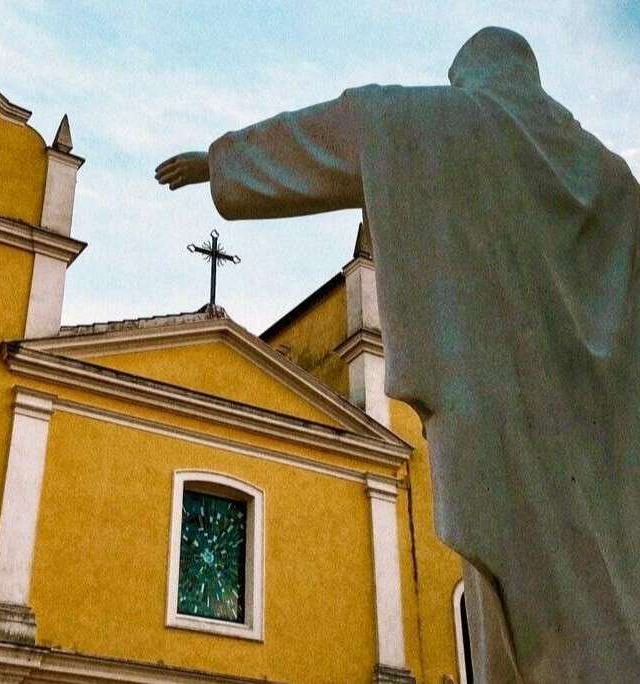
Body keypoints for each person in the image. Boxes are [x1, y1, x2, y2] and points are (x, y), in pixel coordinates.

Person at [156, 27, 640, 683]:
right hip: (609, 424)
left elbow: (343, 130)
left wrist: (222, 162)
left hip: (499, 392)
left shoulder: (445, 121)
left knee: (518, 578)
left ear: (470, 75)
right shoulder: (612, 175)